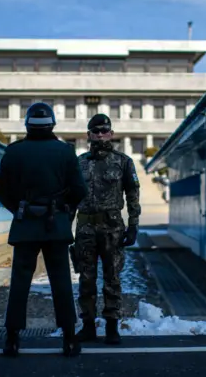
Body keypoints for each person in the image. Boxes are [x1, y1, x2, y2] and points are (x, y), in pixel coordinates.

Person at [0, 102, 87, 358]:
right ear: (52, 124)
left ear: (27, 124)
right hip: (55, 224)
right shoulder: (65, 152)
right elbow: (80, 190)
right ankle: (68, 338)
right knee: (61, 282)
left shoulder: (14, 152)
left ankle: (12, 339)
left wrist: (20, 210)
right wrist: (65, 213)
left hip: (25, 226)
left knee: (20, 282)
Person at [74, 113, 141, 345]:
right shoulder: (79, 163)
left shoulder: (123, 162)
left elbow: (133, 195)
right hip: (85, 228)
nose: (100, 135)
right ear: (88, 135)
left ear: (111, 134)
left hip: (112, 228)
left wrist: (133, 226)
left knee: (112, 278)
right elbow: (69, 197)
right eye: (96, 131)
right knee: (86, 279)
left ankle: (112, 327)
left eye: (105, 131)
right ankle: (88, 326)